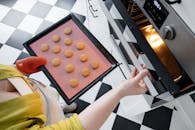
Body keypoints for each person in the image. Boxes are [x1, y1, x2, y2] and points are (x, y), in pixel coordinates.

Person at [0, 56, 149, 130]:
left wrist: (18, 68)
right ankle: (60, 117)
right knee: (60, 120)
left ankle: (61, 109)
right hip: (47, 122)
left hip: (41, 97)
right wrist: (120, 91)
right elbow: (76, 127)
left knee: (56, 104)